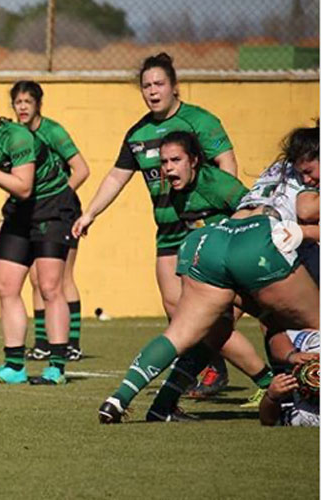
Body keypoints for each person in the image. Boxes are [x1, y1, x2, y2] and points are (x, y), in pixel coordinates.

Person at [98, 127, 320, 424]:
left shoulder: (279, 167)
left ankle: (131, 401)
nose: (308, 178)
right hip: (258, 242)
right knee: (313, 322)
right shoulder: (290, 177)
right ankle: (282, 398)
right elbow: (307, 210)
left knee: (192, 333)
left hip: (212, 242)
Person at [72, 52, 239, 394]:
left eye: (159, 83)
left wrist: (226, 217)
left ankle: (246, 372)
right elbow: (117, 178)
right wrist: (90, 213)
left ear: (174, 87)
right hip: (166, 231)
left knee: (219, 306)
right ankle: (210, 367)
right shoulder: (138, 133)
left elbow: (226, 162)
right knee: (174, 307)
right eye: (146, 85)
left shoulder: (199, 121)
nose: (152, 90)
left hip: (203, 227)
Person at [139, 131, 275, 421]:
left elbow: (255, 212)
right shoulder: (177, 191)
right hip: (220, 272)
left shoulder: (218, 184)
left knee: (272, 325)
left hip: (246, 266)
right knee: (209, 333)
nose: (169, 167)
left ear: (195, 160)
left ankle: (283, 389)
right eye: (164, 162)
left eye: (176, 160)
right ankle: (165, 406)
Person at [0, 88, 80, 386]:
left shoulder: (17, 137)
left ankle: (56, 367)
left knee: (50, 286)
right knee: (6, 286)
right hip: (20, 211)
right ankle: (14, 365)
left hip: (53, 206)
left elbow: (24, 186)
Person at [10, 80, 90, 362]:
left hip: (61, 211)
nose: (22, 107)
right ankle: (43, 342)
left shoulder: (52, 131)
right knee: (35, 278)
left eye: (27, 102)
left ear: (38, 104)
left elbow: (82, 170)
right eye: (17, 102)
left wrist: (60, 199)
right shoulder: (17, 136)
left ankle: (73, 343)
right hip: (34, 214)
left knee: (62, 277)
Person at [259, 329, 318, 427]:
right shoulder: (315, 343)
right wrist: (290, 355)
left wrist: (271, 397)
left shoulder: (310, 418)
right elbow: (276, 334)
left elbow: (269, 421)